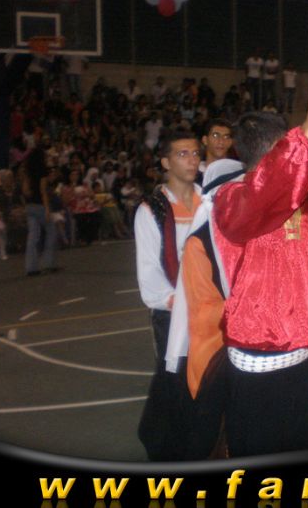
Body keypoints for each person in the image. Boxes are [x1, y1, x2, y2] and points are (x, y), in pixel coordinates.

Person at [212, 64, 308, 457]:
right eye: (286, 145)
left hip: (302, 357)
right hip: (258, 364)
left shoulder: (304, 207)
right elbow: (263, 194)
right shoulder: (231, 201)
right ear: (277, 152)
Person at [165, 157, 246, 460]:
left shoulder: (234, 234)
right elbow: (207, 309)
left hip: (232, 349)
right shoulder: (202, 243)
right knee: (217, 438)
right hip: (217, 352)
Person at [134, 130, 202, 461]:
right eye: (182, 154)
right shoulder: (152, 210)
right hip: (173, 312)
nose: (192, 160)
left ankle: (196, 441)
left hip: (209, 309)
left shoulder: (210, 202)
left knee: (204, 379)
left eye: (195, 153)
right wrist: (177, 302)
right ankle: (163, 443)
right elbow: (149, 270)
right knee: (173, 377)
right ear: (165, 162)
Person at [22, 148, 59, 275]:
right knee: (51, 231)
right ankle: (48, 263)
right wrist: (47, 209)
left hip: (30, 206)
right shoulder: (42, 171)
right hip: (40, 206)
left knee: (32, 237)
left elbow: (25, 191)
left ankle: (31, 267)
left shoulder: (27, 171)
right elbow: (43, 191)